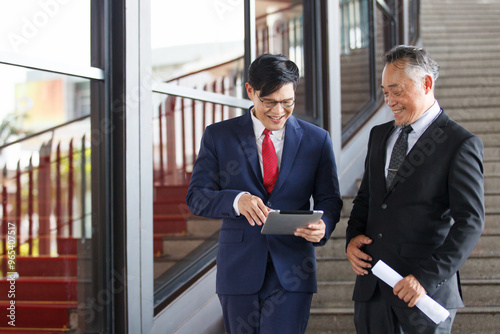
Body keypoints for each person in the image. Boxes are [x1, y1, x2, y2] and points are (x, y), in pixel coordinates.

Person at [186, 53, 343, 333]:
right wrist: (236, 200)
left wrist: (324, 226)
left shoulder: (316, 140)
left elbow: (329, 199)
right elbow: (197, 196)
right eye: (269, 102)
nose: (278, 111)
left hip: (293, 271)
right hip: (238, 271)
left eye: (287, 102)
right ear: (250, 91)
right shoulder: (219, 136)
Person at [346, 45, 485, 333]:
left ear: (427, 83)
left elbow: (470, 223)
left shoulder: (460, 144)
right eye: (385, 92)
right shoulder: (378, 135)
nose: (389, 101)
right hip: (372, 291)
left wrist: (424, 278)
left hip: (423, 295)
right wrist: (352, 237)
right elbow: (367, 198)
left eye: (396, 91)